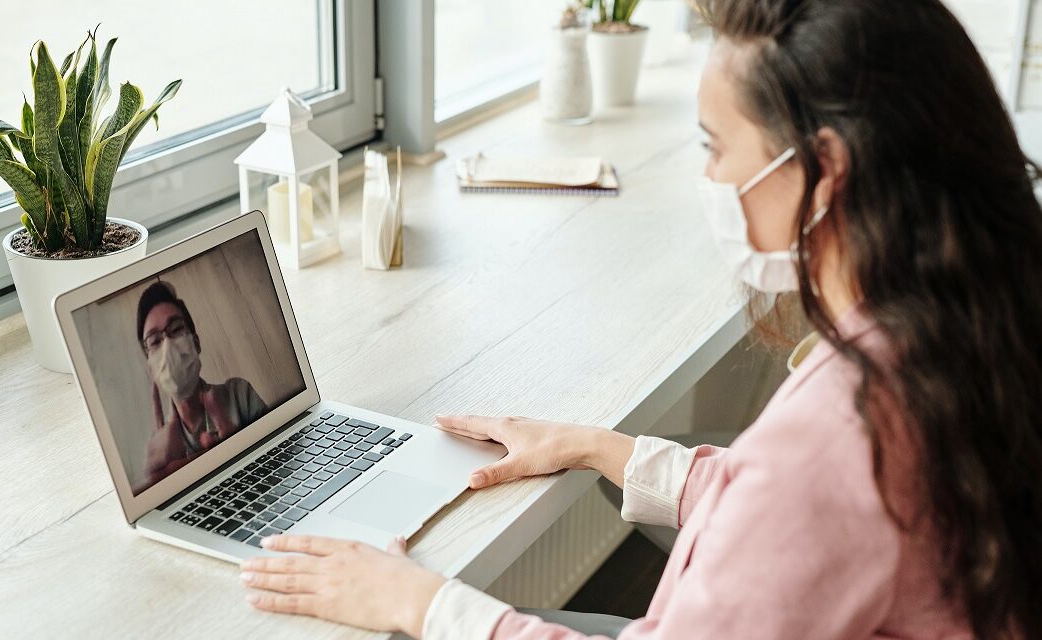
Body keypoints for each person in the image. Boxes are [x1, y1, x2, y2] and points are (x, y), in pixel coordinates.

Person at [233, 1, 1042, 638]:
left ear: (823, 171)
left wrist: (421, 604)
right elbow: (805, 523)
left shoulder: (845, 429)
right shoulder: (968, 321)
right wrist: (601, 448)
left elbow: (805, 494)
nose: (710, 177)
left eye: (716, 147)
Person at [136, 281, 268, 490]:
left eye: (177, 329)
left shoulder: (240, 395)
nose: (168, 345)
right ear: (151, 368)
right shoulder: (160, 451)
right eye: (154, 341)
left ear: (196, 343)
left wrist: (240, 451)